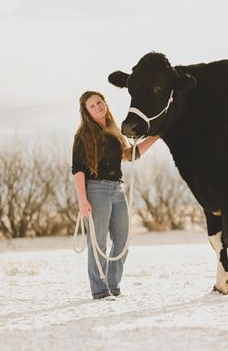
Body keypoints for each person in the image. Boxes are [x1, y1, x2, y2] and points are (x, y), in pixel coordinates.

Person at [72, 90, 159, 300]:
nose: (98, 107)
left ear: (105, 103)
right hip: (96, 190)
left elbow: (130, 154)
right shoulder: (83, 135)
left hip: (117, 190)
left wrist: (156, 136)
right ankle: (100, 290)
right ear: (86, 112)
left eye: (99, 103)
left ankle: (113, 285)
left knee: (122, 240)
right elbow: (78, 170)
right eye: (92, 106)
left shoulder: (113, 130)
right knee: (98, 243)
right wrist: (83, 200)